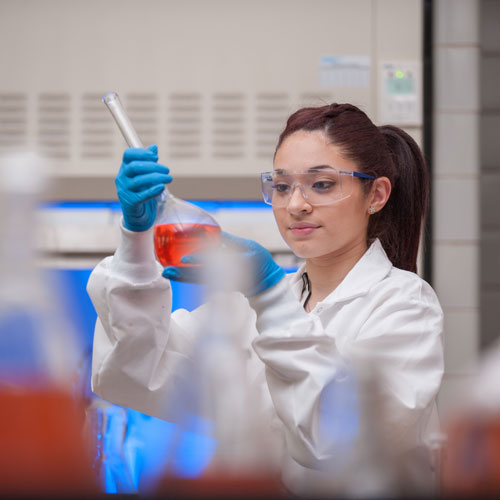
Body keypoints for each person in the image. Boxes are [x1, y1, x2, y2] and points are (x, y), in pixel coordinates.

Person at [87, 103, 444, 496]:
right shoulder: (247, 311)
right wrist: (135, 240)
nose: (295, 205)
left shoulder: (406, 306)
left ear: (375, 194)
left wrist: (268, 293)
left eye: (322, 184)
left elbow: (341, 444)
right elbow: (134, 371)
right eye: (281, 185)